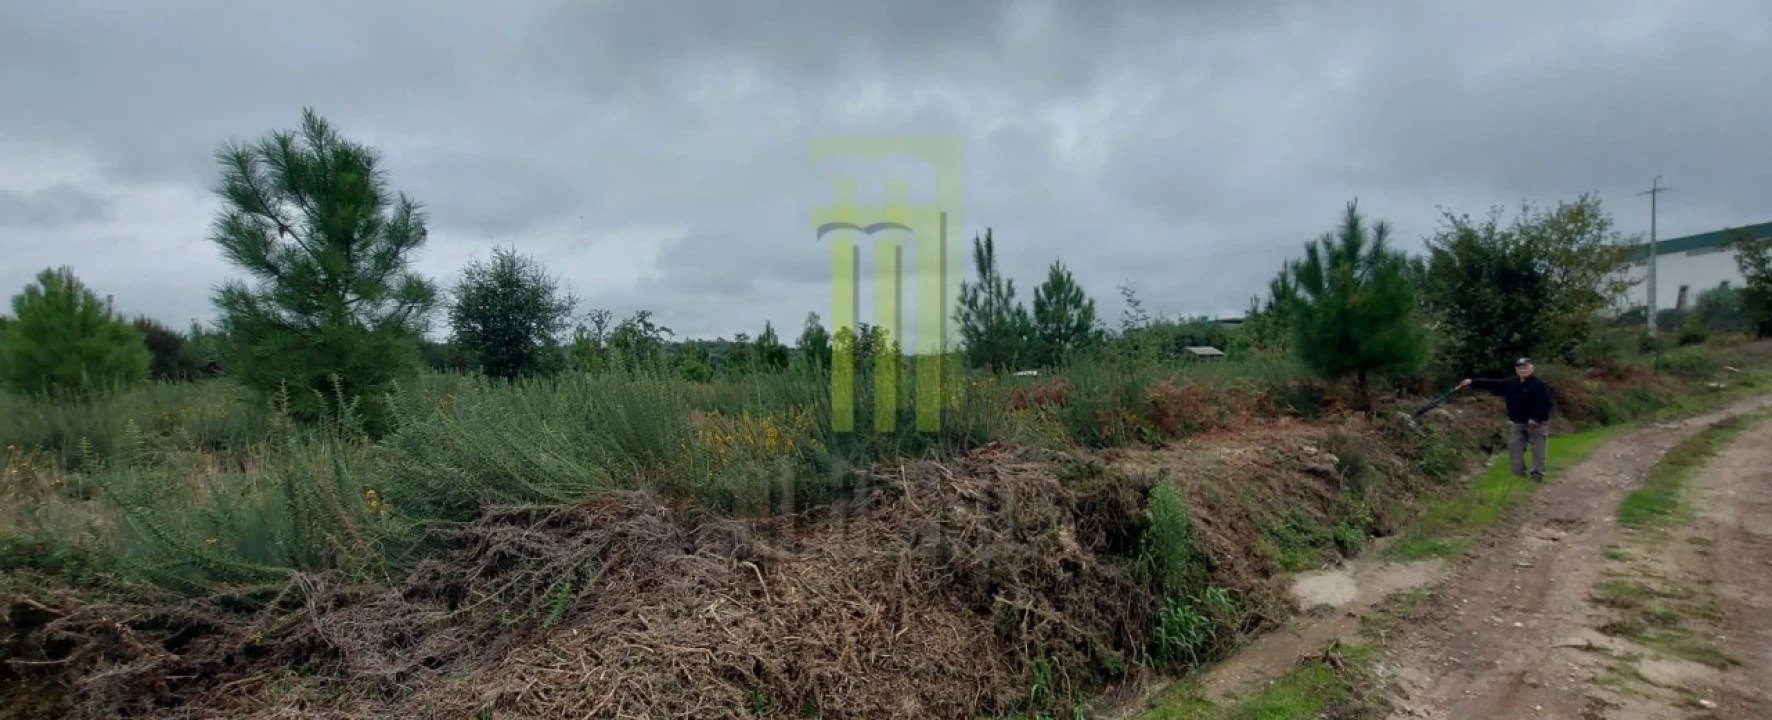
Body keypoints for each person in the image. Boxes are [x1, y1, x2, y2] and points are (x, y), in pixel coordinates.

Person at [1458, 358, 1554, 481]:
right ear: (1516, 370)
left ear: (1532, 368)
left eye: (1525, 367)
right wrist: (1472, 382)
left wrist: (1535, 418)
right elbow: (1492, 383)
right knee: (1514, 446)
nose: (1522, 370)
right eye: (1520, 368)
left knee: (1537, 449)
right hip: (1518, 421)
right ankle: (1518, 475)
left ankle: (1537, 474)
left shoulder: (1539, 385)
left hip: (1537, 423)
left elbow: (1546, 403)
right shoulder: (1511, 383)